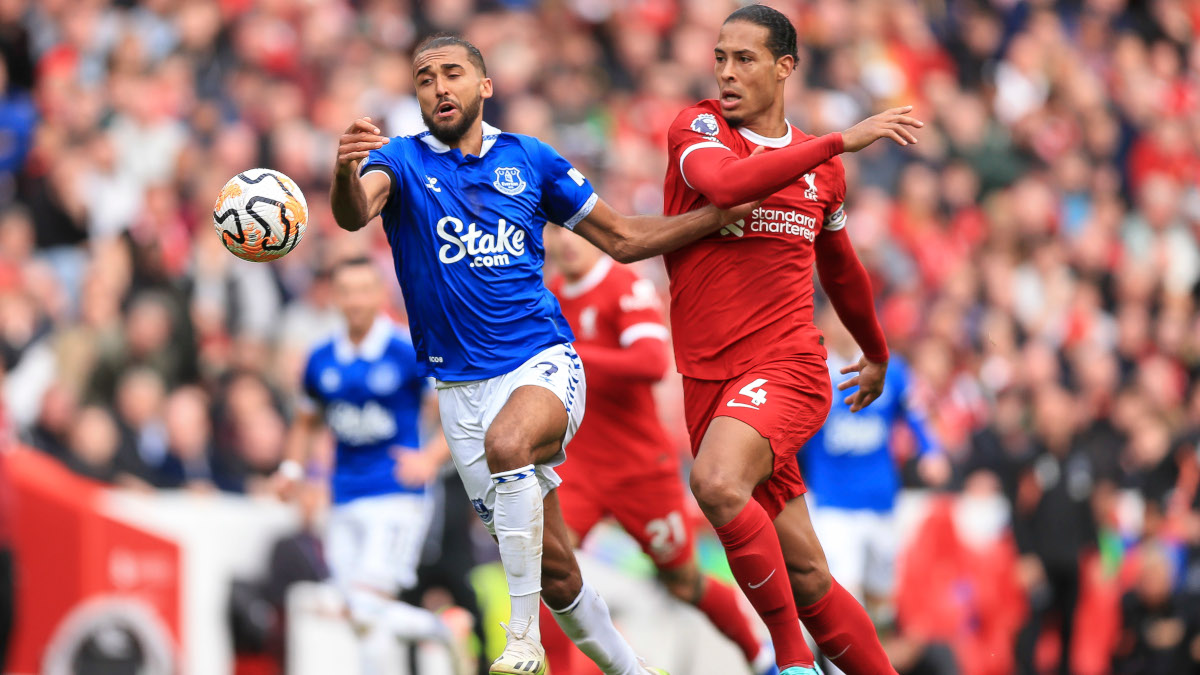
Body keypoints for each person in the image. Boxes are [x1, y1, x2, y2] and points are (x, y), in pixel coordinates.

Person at [328, 32, 767, 675]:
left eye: (453, 73)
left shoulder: (530, 159)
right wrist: (343, 171)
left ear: (485, 86)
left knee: (511, 445)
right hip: (458, 392)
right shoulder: (396, 162)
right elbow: (350, 215)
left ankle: (523, 639)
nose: (439, 87)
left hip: (541, 360)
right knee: (558, 574)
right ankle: (633, 670)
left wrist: (715, 217)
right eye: (425, 79)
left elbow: (620, 236)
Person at [661, 6, 923, 675]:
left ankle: (791, 662)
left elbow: (842, 267)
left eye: (743, 59)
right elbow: (723, 184)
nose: (725, 72)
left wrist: (877, 350)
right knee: (807, 573)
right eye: (719, 57)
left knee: (718, 483)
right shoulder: (698, 131)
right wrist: (838, 141)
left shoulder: (819, 172)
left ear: (785, 67)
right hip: (710, 381)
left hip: (787, 367)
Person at [543, 226, 780, 675]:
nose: (566, 240)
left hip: (639, 470)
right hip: (578, 468)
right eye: (555, 229)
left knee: (684, 582)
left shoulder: (625, 286)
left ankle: (759, 656)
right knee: (549, 571)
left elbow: (652, 362)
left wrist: (570, 352)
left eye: (573, 228)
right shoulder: (550, 294)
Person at [273, 257, 456, 673]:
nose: (355, 300)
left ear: (379, 295)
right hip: (344, 494)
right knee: (357, 615)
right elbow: (306, 421)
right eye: (346, 291)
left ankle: (441, 632)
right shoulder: (320, 358)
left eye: (363, 290)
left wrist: (430, 457)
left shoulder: (406, 350)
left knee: (366, 604)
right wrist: (291, 471)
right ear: (335, 298)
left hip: (396, 493)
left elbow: (455, 411)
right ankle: (442, 629)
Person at [803, 307, 949, 673]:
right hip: (835, 507)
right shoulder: (814, 374)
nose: (844, 324)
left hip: (882, 504)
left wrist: (930, 451)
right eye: (836, 317)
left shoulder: (892, 370)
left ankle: (876, 662)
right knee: (844, 599)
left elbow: (914, 413)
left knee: (880, 603)